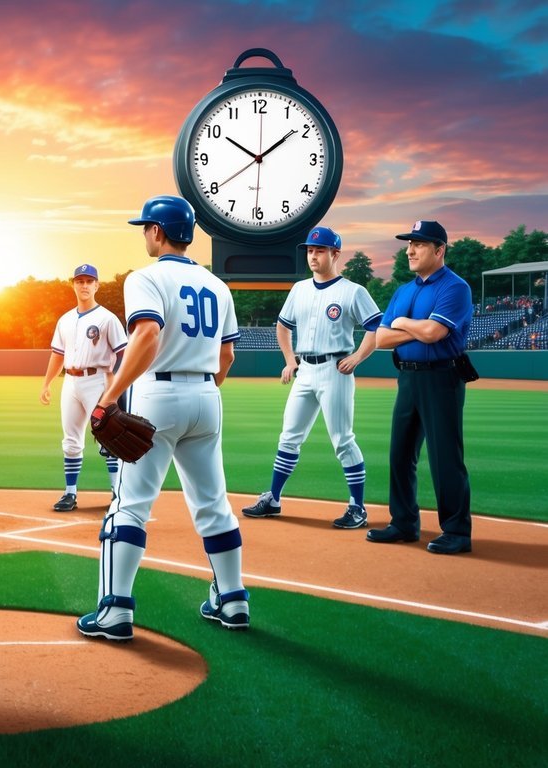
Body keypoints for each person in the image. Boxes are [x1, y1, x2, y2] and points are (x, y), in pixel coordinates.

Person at [76, 195, 248, 642]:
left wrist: (109, 399)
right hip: (207, 394)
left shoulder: (145, 278)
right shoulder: (218, 285)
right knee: (213, 504)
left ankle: (115, 611)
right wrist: (202, 396)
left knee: (129, 505)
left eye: (146, 227)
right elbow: (227, 355)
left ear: (158, 232)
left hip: (158, 392)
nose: (144, 234)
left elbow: (148, 334)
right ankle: (232, 600)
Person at [242, 226, 381, 529]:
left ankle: (358, 508)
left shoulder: (353, 291)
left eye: (319, 250)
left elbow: (376, 328)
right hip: (305, 371)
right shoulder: (299, 289)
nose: (313, 255)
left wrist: (357, 357)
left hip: (335, 370)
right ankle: (274, 498)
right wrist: (289, 359)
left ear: (335, 254)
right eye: (309, 250)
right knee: (289, 437)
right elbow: (282, 326)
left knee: (343, 440)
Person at [369, 221, 474, 554]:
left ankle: (457, 531)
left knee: (445, 457)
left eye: (419, 244)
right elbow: (381, 339)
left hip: (442, 377)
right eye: (409, 244)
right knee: (400, 454)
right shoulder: (404, 290)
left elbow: (434, 333)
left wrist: (402, 323)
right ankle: (403, 523)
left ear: (439, 250)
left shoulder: (455, 288)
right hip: (409, 378)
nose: (410, 250)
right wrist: (412, 327)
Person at [39, 263, 127, 512]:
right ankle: (70, 494)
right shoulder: (65, 320)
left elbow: (124, 354)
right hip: (71, 381)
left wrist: (115, 388)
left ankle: (117, 493)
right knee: (70, 439)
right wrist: (46, 383)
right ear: (74, 285)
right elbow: (57, 355)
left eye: (89, 281)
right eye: (80, 281)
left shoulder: (107, 318)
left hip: (98, 380)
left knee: (107, 438)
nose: (85, 285)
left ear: (97, 285)